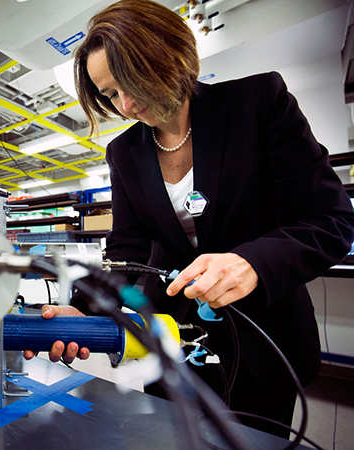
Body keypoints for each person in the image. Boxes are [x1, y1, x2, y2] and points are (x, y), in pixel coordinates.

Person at [23, 0, 354, 439]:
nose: (127, 104)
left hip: (263, 340)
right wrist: (85, 310)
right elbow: (127, 250)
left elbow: (330, 219)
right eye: (110, 95)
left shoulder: (258, 103)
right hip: (172, 341)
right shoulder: (123, 152)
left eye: (131, 83)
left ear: (171, 55)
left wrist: (252, 262)